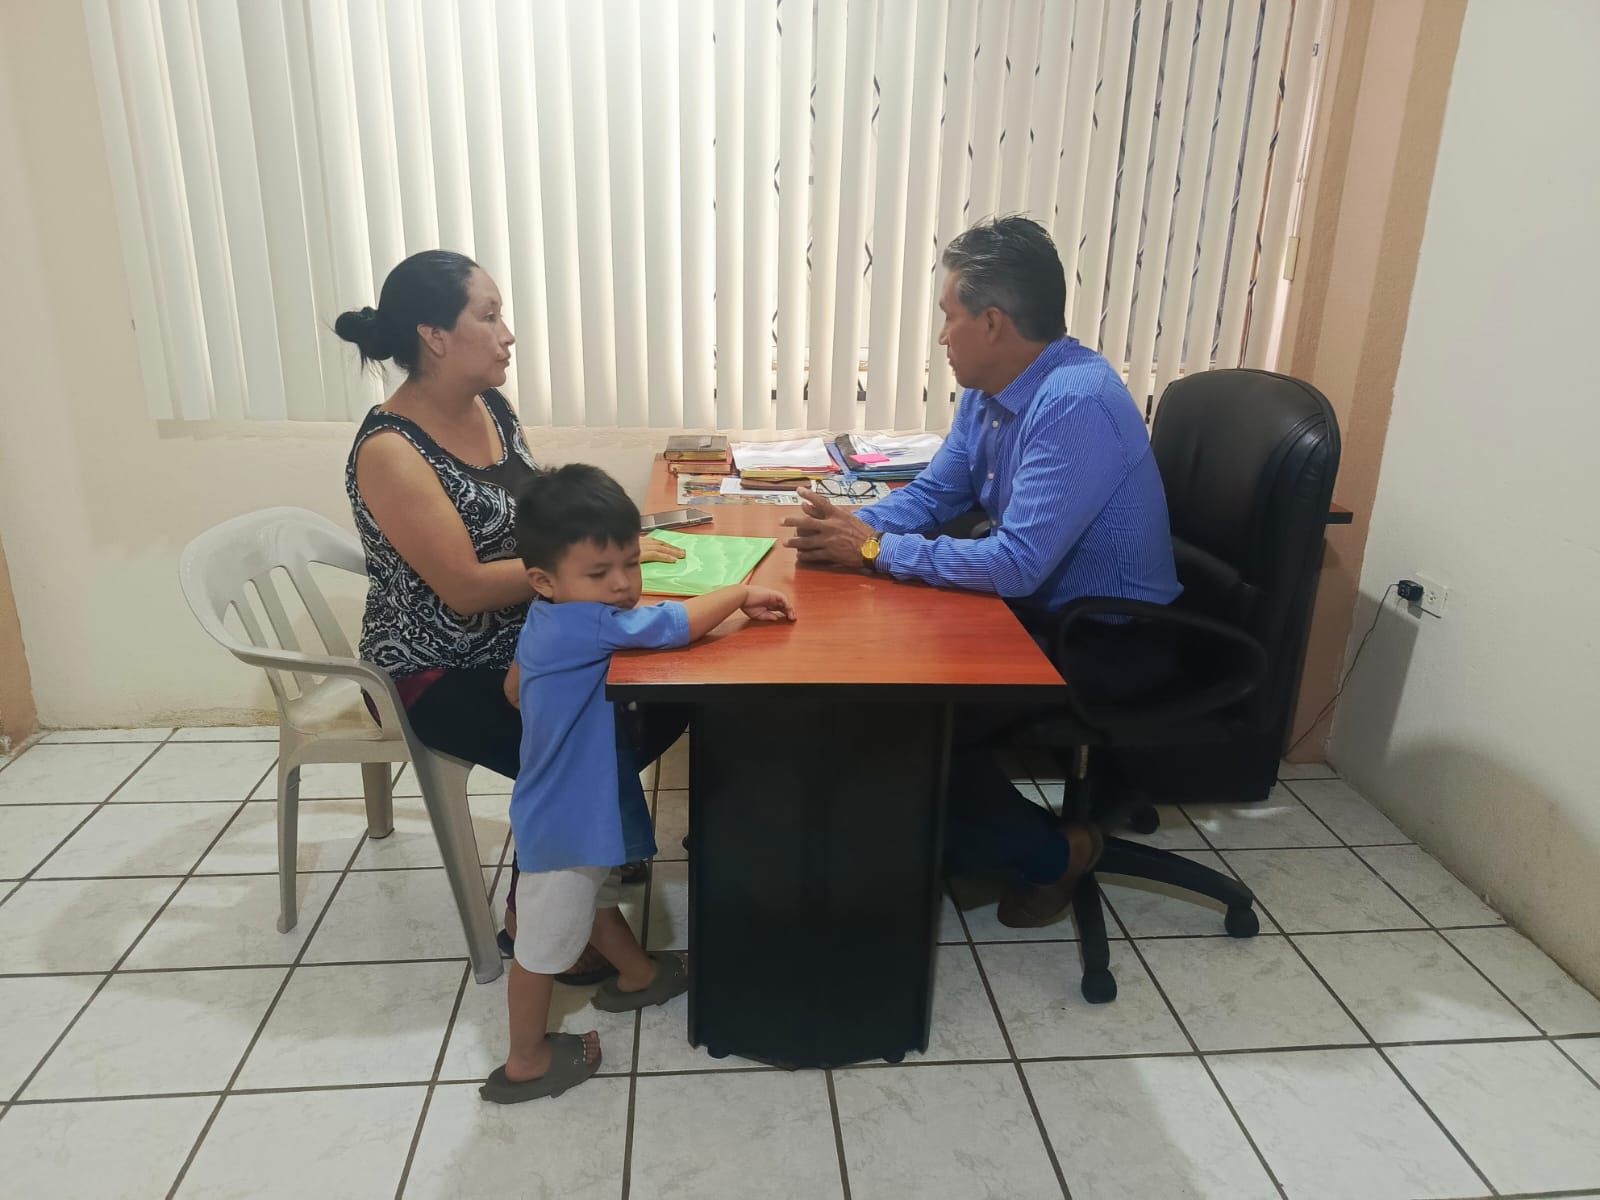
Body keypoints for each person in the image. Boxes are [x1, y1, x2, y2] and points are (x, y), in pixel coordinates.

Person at [782, 215, 1182, 928]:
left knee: (897, 724)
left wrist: (871, 552)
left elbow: (1018, 564)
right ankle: (962, 836)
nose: (942, 336)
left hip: (1108, 637)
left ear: (992, 322)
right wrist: (848, 527)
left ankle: (1054, 855)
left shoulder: (1075, 401)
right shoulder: (990, 392)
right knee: (868, 692)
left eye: (950, 316)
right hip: (1036, 615)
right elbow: (938, 494)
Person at [334, 250, 687, 982]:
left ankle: (592, 858)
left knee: (669, 688)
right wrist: (596, 575)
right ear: (434, 336)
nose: (508, 334)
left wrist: (608, 557)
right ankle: (543, 914)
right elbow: (464, 590)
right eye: (489, 316)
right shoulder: (391, 450)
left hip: (525, 639)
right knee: (608, 723)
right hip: (436, 670)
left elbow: (541, 524)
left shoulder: (491, 407)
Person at [480, 464, 796, 1102]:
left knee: (594, 900)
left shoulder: (548, 616)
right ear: (543, 579)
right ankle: (526, 1060)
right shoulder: (589, 624)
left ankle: (639, 975)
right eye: (600, 574)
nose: (624, 584)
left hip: (567, 808)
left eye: (630, 563)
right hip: (565, 823)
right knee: (541, 948)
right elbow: (676, 626)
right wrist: (737, 594)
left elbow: (514, 688)